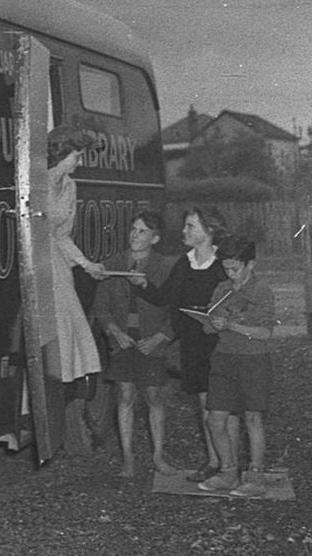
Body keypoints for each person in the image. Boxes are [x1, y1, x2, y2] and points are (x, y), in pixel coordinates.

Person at [131, 206, 233, 483]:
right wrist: (142, 285)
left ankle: (230, 467)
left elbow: (238, 300)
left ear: (209, 231)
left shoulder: (224, 263)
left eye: (190, 226)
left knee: (223, 407)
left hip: (221, 343)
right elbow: (166, 298)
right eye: (185, 226)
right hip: (193, 344)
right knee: (204, 404)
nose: (184, 231)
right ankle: (214, 461)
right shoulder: (184, 263)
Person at [93, 211, 176, 477]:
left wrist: (158, 338)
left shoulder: (165, 267)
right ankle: (128, 457)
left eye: (142, 231)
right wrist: (115, 332)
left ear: (155, 238)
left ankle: (159, 456)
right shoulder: (113, 264)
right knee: (125, 394)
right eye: (133, 229)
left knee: (153, 396)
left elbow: (176, 311)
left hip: (152, 342)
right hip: (123, 343)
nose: (134, 235)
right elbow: (101, 307)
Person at [197, 236, 277, 497]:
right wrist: (209, 322)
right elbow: (208, 327)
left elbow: (265, 332)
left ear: (250, 264)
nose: (230, 274)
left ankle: (255, 475)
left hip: (253, 359)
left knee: (252, 418)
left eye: (235, 268)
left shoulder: (261, 290)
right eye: (226, 268)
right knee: (215, 419)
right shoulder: (222, 289)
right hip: (224, 358)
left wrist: (231, 325)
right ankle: (228, 471)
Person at [46, 125, 108, 453]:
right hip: (34, 263)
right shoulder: (35, 182)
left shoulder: (70, 185)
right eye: (76, 155)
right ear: (60, 153)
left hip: (56, 263)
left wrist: (86, 264)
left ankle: (67, 395)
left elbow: (61, 235)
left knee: (70, 329)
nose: (79, 162)